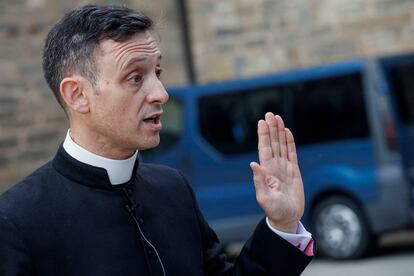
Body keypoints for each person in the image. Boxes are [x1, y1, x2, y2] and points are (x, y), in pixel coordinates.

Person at [0, 5, 313, 276]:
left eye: (157, 73)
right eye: (135, 78)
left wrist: (282, 224)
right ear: (78, 95)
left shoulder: (173, 189)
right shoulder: (15, 221)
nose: (161, 93)